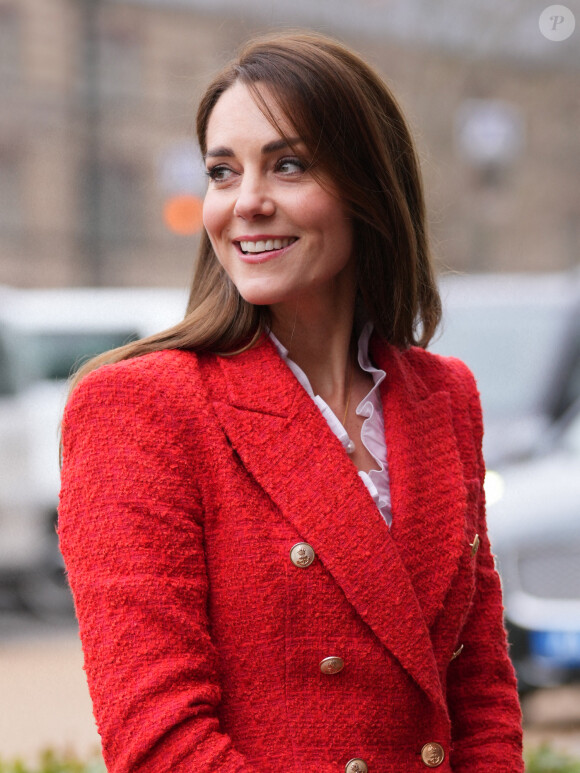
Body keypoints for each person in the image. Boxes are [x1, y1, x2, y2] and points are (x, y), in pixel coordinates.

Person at [58, 31, 524, 773]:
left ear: (369, 186)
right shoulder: (138, 406)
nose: (247, 202)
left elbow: (480, 687)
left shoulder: (443, 396)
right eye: (222, 171)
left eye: (288, 164)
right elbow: (158, 737)